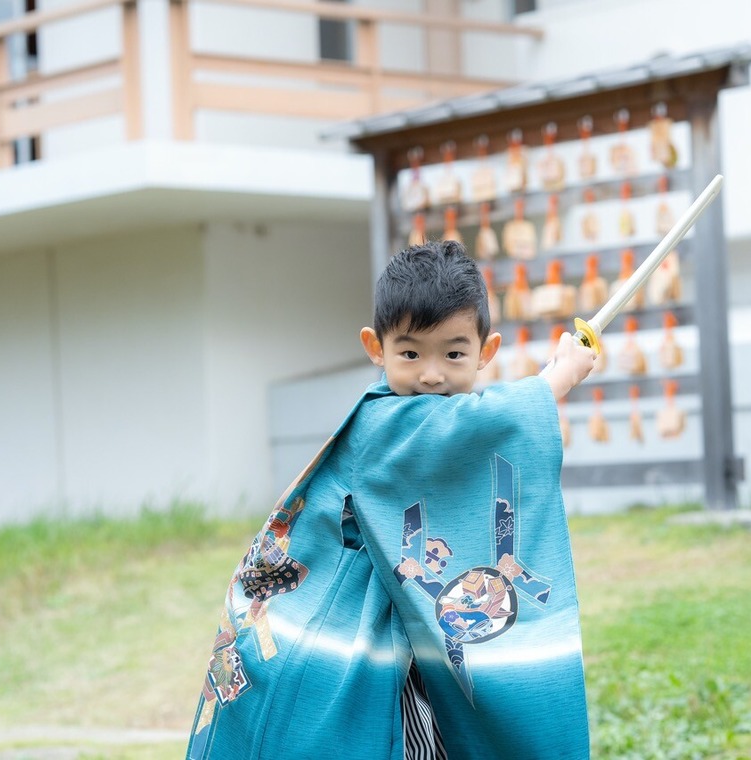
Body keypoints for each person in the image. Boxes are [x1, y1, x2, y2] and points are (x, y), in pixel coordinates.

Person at [186, 240, 596, 760]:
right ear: (375, 347)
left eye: (453, 353)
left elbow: (465, 431)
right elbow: (462, 428)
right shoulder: (380, 423)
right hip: (359, 638)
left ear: (486, 352)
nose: (431, 374)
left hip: (415, 630)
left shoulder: (440, 420)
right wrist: (557, 378)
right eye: (410, 353)